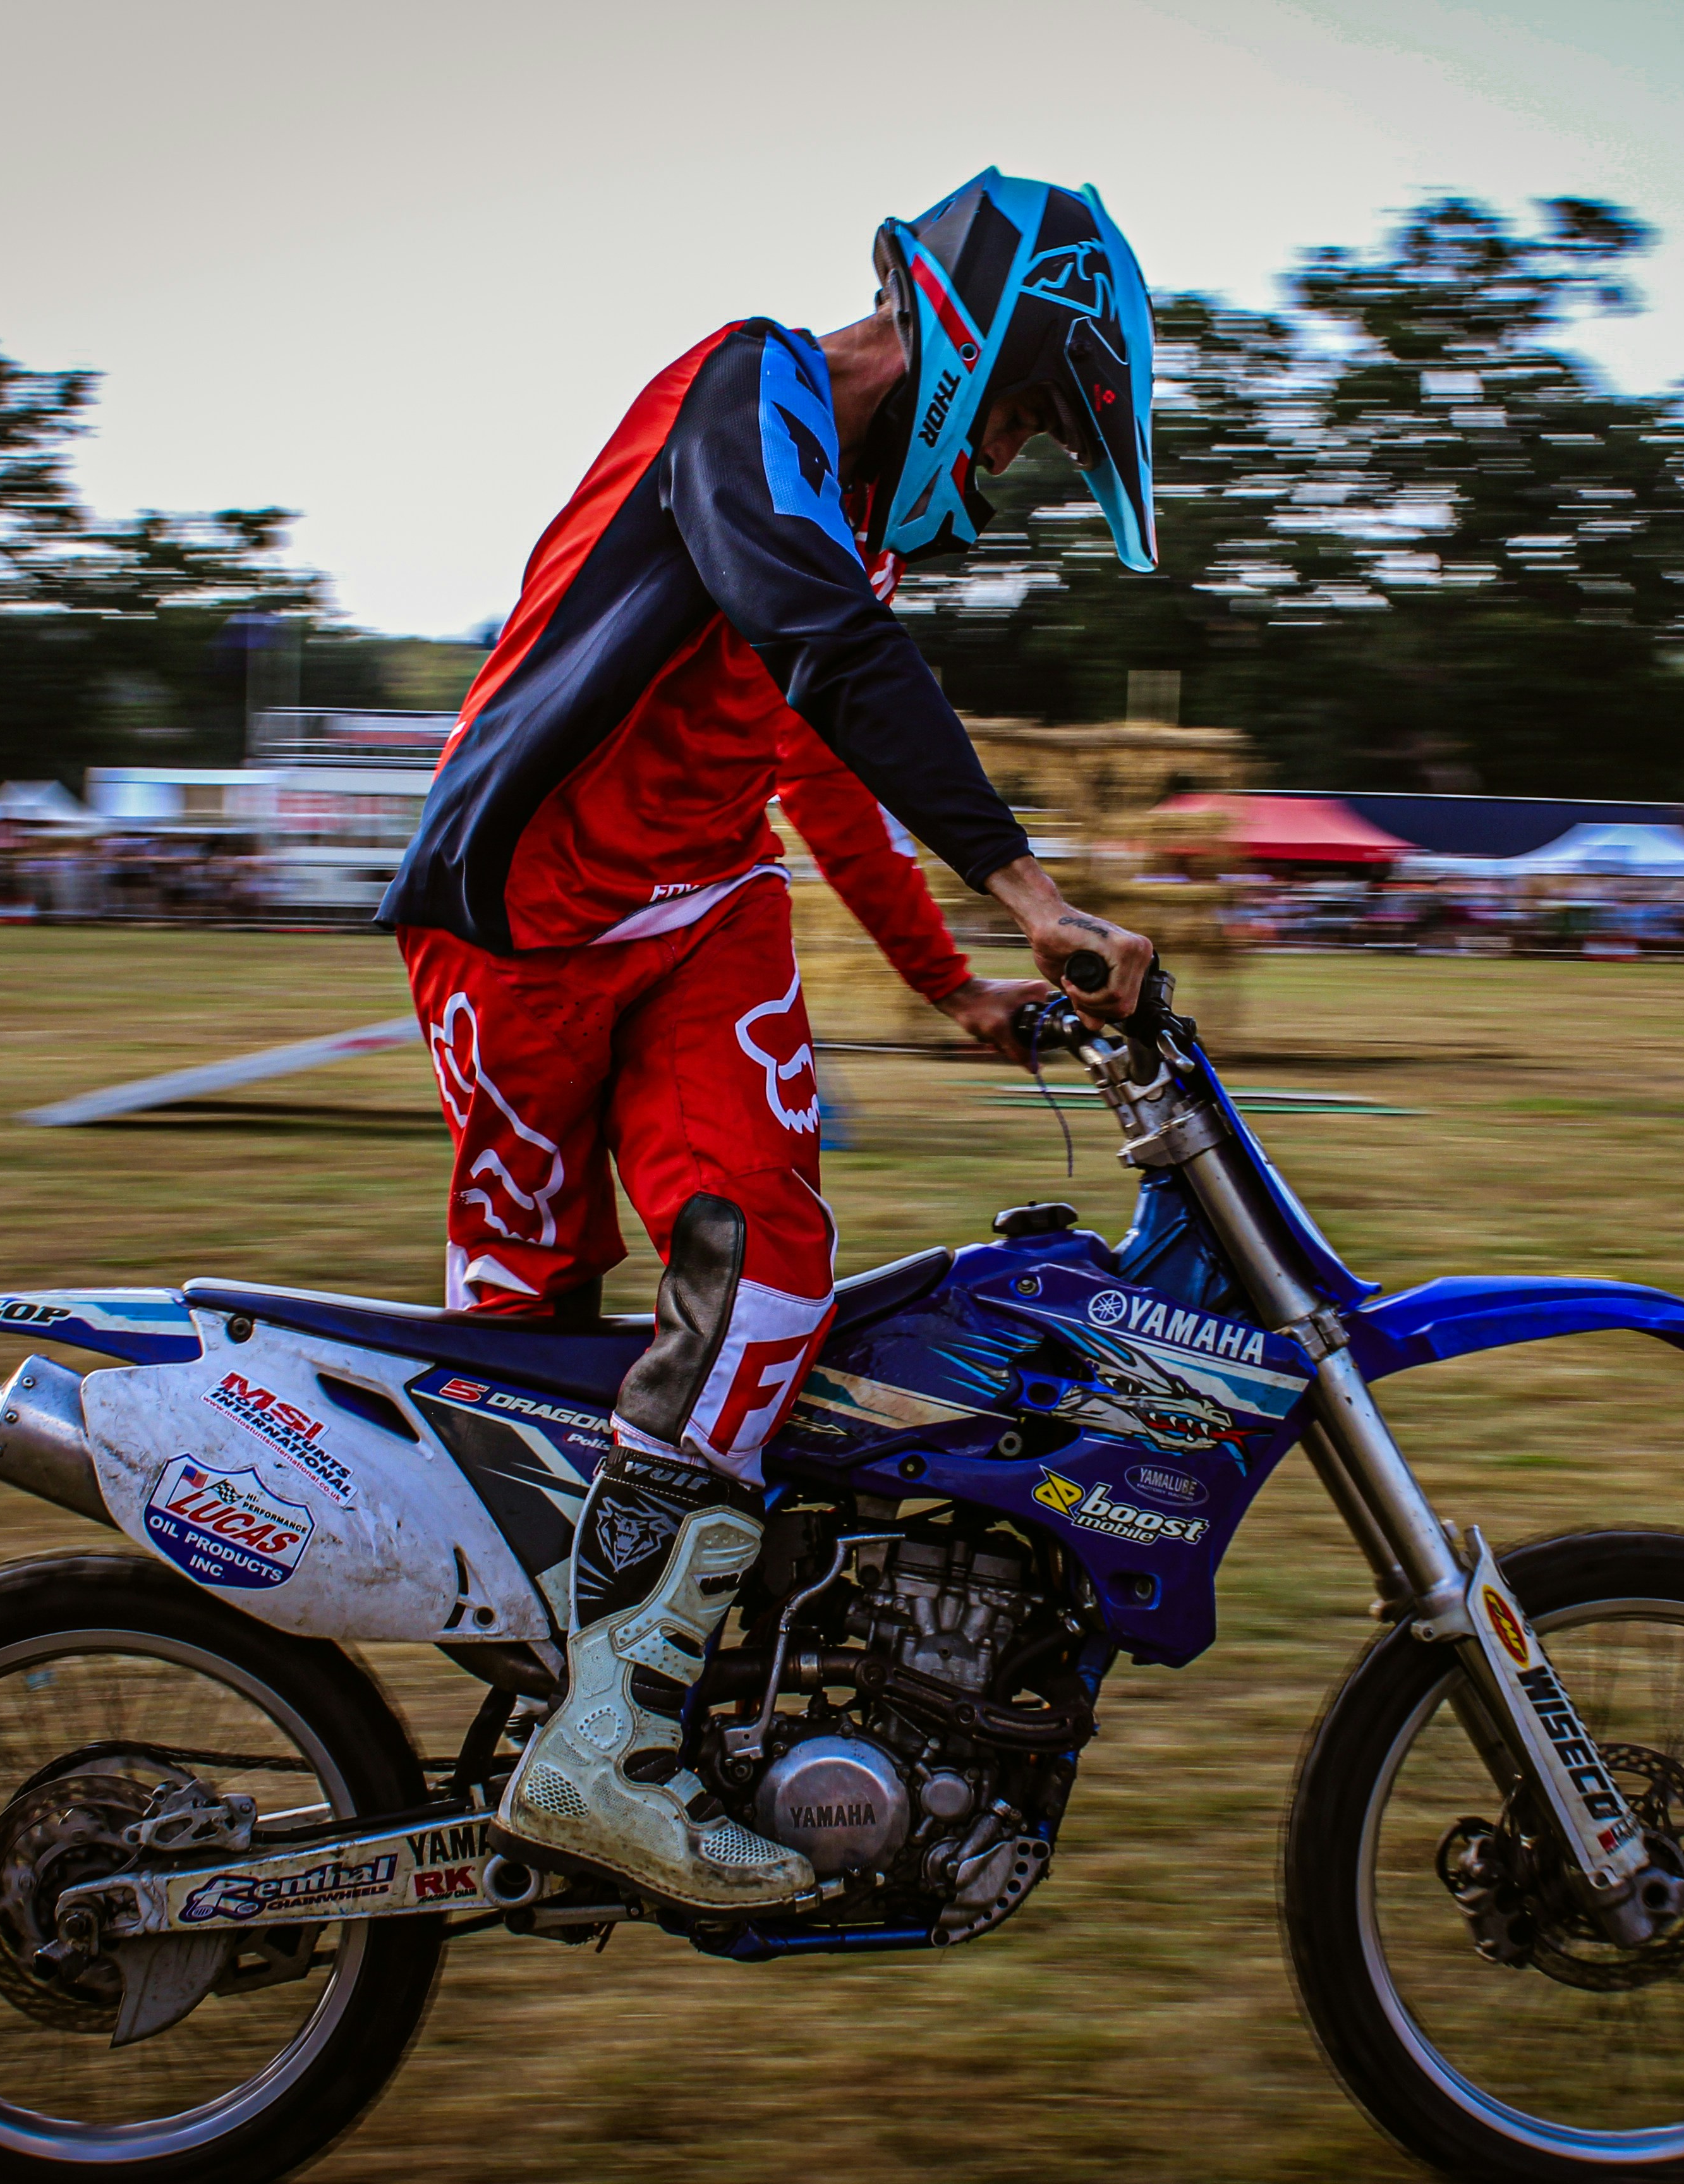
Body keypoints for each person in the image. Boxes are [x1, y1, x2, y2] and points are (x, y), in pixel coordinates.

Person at [375, 171, 1162, 1912]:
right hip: (518, 930)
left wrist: (952, 980)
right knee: (518, 1357)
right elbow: (822, 638)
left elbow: (813, 754)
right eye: (1030, 418)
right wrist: (1032, 894)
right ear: (971, 349)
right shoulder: (748, 395)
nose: (1013, 464)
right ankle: (538, 1709)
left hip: (701, 919)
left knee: (768, 1276)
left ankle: (619, 1744)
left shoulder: (841, 530)